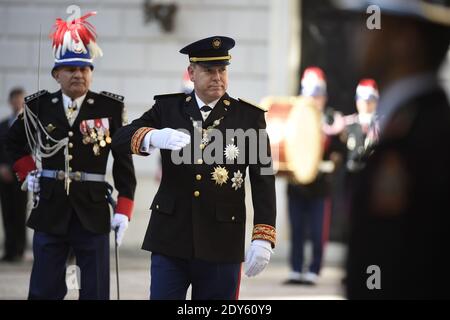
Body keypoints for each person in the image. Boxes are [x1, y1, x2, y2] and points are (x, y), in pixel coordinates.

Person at [112, 36, 277, 300]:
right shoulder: (168, 108)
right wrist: (153, 137)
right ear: (191, 73)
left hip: (222, 241)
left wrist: (263, 235)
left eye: (222, 70)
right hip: (170, 238)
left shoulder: (248, 117)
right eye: (209, 70)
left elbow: (263, 179)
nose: (217, 77)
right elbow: (119, 138)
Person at [6, 11, 136, 299]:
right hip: (50, 208)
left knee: (95, 290)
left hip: (93, 210)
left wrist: (124, 209)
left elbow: (123, 162)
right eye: (71, 69)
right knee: (44, 289)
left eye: (84, 68)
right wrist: (28, 172)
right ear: (57, 74)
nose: (78, 74)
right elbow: (11, 141)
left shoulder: (109, 108)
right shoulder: (39, 106)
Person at [337, 0, 450, 299]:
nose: (357, 35)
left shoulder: (417, 137)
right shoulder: (416, 123)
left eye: (371, 24)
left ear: (405, 40)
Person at [283, 66, 343, 286]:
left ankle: (314, 269)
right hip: (297, 184)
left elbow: (338, 151)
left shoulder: (330, 119)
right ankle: (296, 269)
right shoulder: (294, 114)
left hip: (319, 186)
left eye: (318, 94)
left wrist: (334, 150)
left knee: (318, 232)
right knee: (296, 230)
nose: (314, 99)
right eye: (311, 94)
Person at [0, 87, 28, 263]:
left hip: (21, 173)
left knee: (20, 211)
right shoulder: (3, 125)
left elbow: (27, 149)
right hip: (3, 175)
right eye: (15, 99)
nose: (18, 102)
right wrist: (2, 167)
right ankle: (9, 250)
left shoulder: (28, 124)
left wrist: (13, 168)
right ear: (10, 101)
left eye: (21, 99)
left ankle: (20, 249)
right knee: (7, 212)